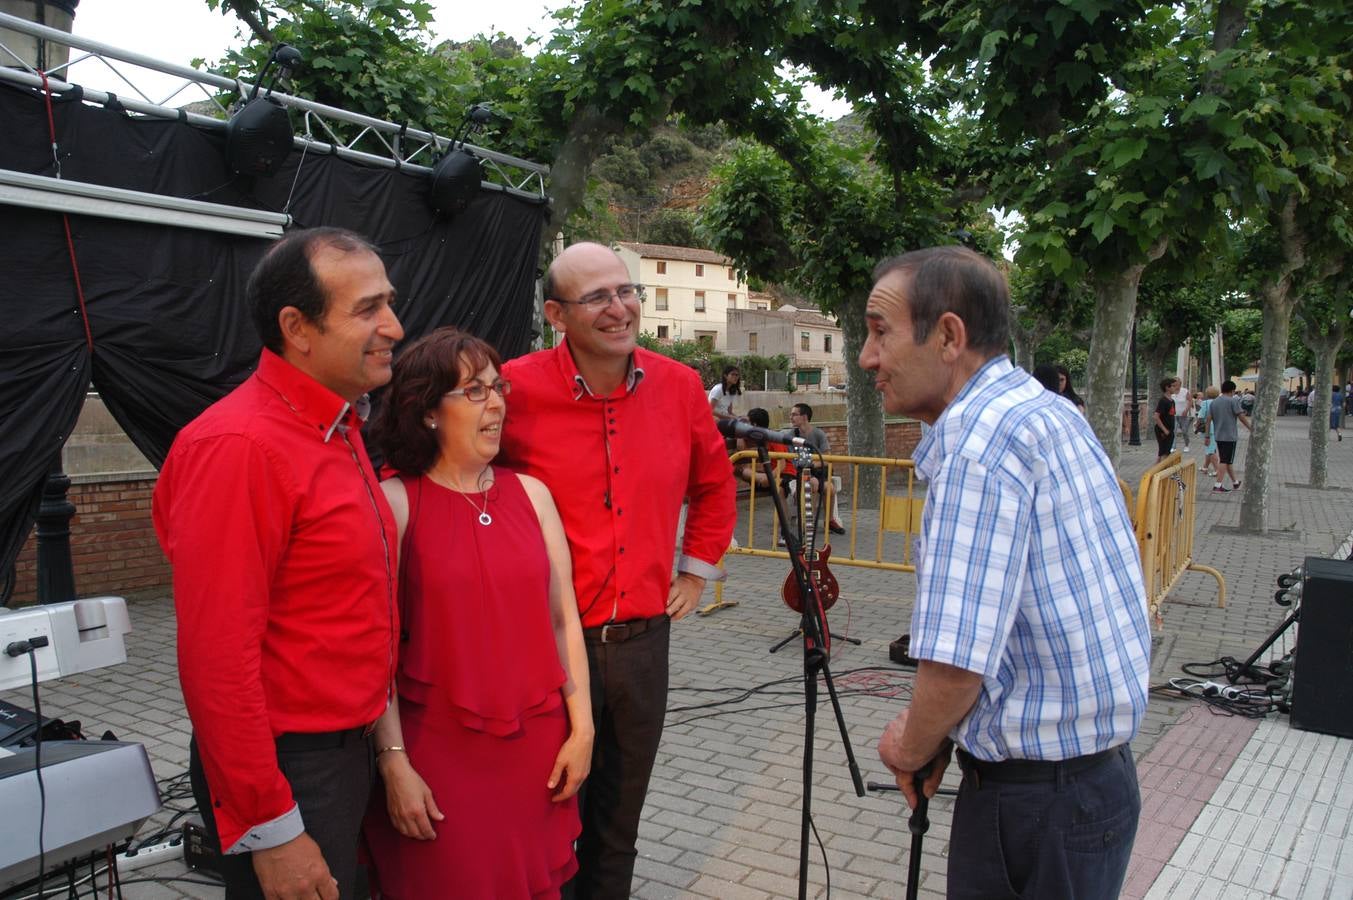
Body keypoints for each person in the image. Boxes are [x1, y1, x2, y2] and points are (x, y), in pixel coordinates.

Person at [860, 246, 1150, 900]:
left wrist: (910, 744)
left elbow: (956, 665)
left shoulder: (978, 450)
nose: (866, 357)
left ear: (948, 335)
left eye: (880, 332)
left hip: (1037, 803)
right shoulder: (1043, 411)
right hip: (1087, 784)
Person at [153, 228, 405, 900]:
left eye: (389, 303)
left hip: (342, 756)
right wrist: (272, 827)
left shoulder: (337, 429)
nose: (394, 326)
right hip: (292, 769)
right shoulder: (240, 447)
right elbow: (216, 660)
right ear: (297, 327)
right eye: (367, 309)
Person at [497, 242, 734, 899]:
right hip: (539, 647)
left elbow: (713, 486)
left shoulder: (680, 385)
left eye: (624, 290)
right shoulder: (513, 388)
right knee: (540, 813)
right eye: (596, 296)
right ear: (555, 314)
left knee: (616, 825)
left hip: (639, 645)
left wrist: (694, 572)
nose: (619, 307)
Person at [362, 328, 592, 898]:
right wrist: (393, 762)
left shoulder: (533, 496)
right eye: (473, 391)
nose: (496, 402)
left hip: (537, 751)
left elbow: (564, 621)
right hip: (437, 754)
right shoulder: (394, 504)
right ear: (428, 412)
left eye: (498, 387)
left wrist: (583, 727)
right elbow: (378, 649)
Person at [786, 402, 844, 535]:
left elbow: (827, 457)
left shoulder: (818, 434)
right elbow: (791, 459)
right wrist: (810, 463)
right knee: (813, 483)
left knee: (830, 488)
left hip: (816, 471)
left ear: (805, 417)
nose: (791, 417)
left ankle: (829, 521)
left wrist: (811, 463)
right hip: (799, 472)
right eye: (791, 414)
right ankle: (808, 523)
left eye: (794, 414)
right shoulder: (791, 435)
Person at [1205, 379, 1251, 492]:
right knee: (1225, 460)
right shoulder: (1232, 401)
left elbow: (1208, 419)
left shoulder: (1214, 402)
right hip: (1230, 436)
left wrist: (1207, 436)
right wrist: (1251, 428)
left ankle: (1235, 482)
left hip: (1218, 435)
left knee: (1227, 459)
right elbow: (1241, 417)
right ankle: (1218, 485)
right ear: (1232, 390)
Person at [1153, 377, 1178, 461]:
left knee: (1162, 454)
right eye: (1173, 386)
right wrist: (1164, 430)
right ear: (1167, 387)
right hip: (1163, 431)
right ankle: (1163, 473)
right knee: (1164, 454)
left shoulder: (1172, 401)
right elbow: (1156, 416)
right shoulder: (1163, 401)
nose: (1175, 388)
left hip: (1170, 430)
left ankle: (1153, 473)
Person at [1198, 385, 1220, 477]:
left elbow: (1201, 415)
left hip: (1208, 428)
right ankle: (1205, 467)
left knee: (1211, 450)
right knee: (1210, 448)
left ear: (1207, 394)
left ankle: (1217, 470)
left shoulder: (1205, 403)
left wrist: (1197, 424)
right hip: (1218, 427)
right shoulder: (1219, 402)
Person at [1173, 380, 1193, 452]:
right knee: (1173, 430)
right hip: (1173, 415)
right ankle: (1173, 446)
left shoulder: (1185, 391)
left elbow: (1190, 401)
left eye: (1176, 384)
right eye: (1173, 384)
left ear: (1180, 384)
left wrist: (1186, 410)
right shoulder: (1171, 391)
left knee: (1184, 431)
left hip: (1183, 414)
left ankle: (1186, 445)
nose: (1175, 386)